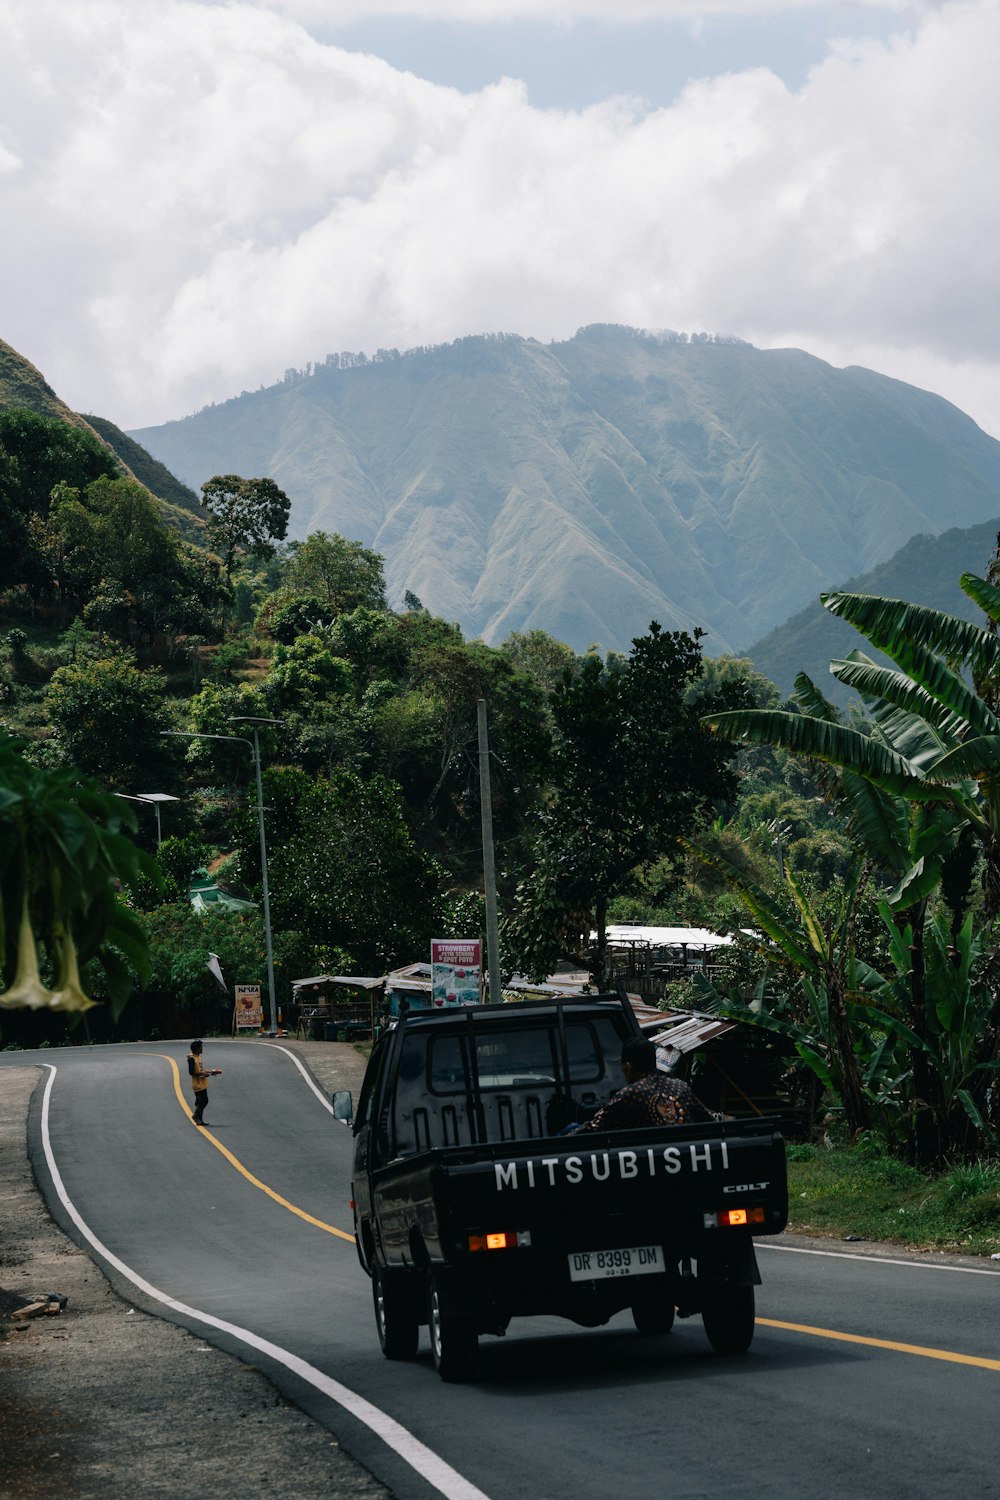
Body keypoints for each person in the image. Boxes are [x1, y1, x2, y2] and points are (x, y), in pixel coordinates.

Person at [576, 1036, 713, 1132]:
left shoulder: (630, 1095)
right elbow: (707, 1119)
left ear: (628, 1066)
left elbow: (593, 1128)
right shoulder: (681, 1087)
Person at [187, 1039, 221, 1126]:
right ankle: (195, 1116)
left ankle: (200, 1120)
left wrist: (211, 1072)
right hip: (197, 1084)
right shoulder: (191, 1059)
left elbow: (201, 1069)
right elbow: (191, 1072)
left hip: (202, 1082)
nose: (202, 1049)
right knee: (203, 1101)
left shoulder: (198, 1057)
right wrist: (204, 1073)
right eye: (201, 1047)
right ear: (197, 1049)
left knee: (201, 1101)